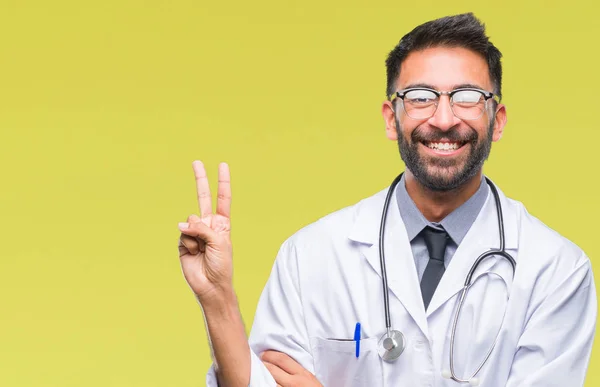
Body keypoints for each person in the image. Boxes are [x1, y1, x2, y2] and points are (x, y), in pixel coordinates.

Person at [177, 12, 597, 387]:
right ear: (391, 119)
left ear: (497, 120)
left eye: (467, 96)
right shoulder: (312, 254)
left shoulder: (556, 270)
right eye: (420, 97)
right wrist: (218, 300)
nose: (444, 118)